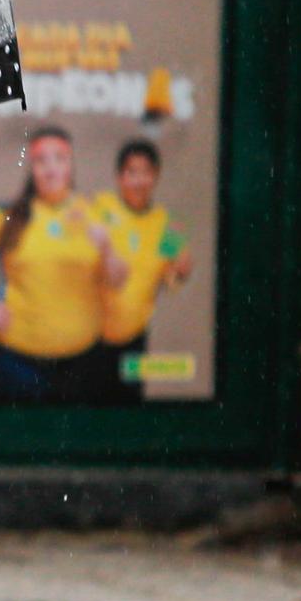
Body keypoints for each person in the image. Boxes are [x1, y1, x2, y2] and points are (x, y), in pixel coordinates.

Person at [0, 126, 130, 405]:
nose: (51, 168)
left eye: (59, 159)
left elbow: (119, 279)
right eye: (41, 160)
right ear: (31, 167)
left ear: (71, 164)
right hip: (16, 362)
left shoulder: (96, 214)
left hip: (83, 363)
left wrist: (106, 249)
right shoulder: (10, 214)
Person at [89, 140, 194, 404]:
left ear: (155, 175)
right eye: (131, 172)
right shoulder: (101, 207)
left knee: (128, 412)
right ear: (119, 177)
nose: (138, 180)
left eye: (145, 172)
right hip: (90, 338)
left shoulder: (168, 224)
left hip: (134, 339)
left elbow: (170, 281)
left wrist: (181, 271)